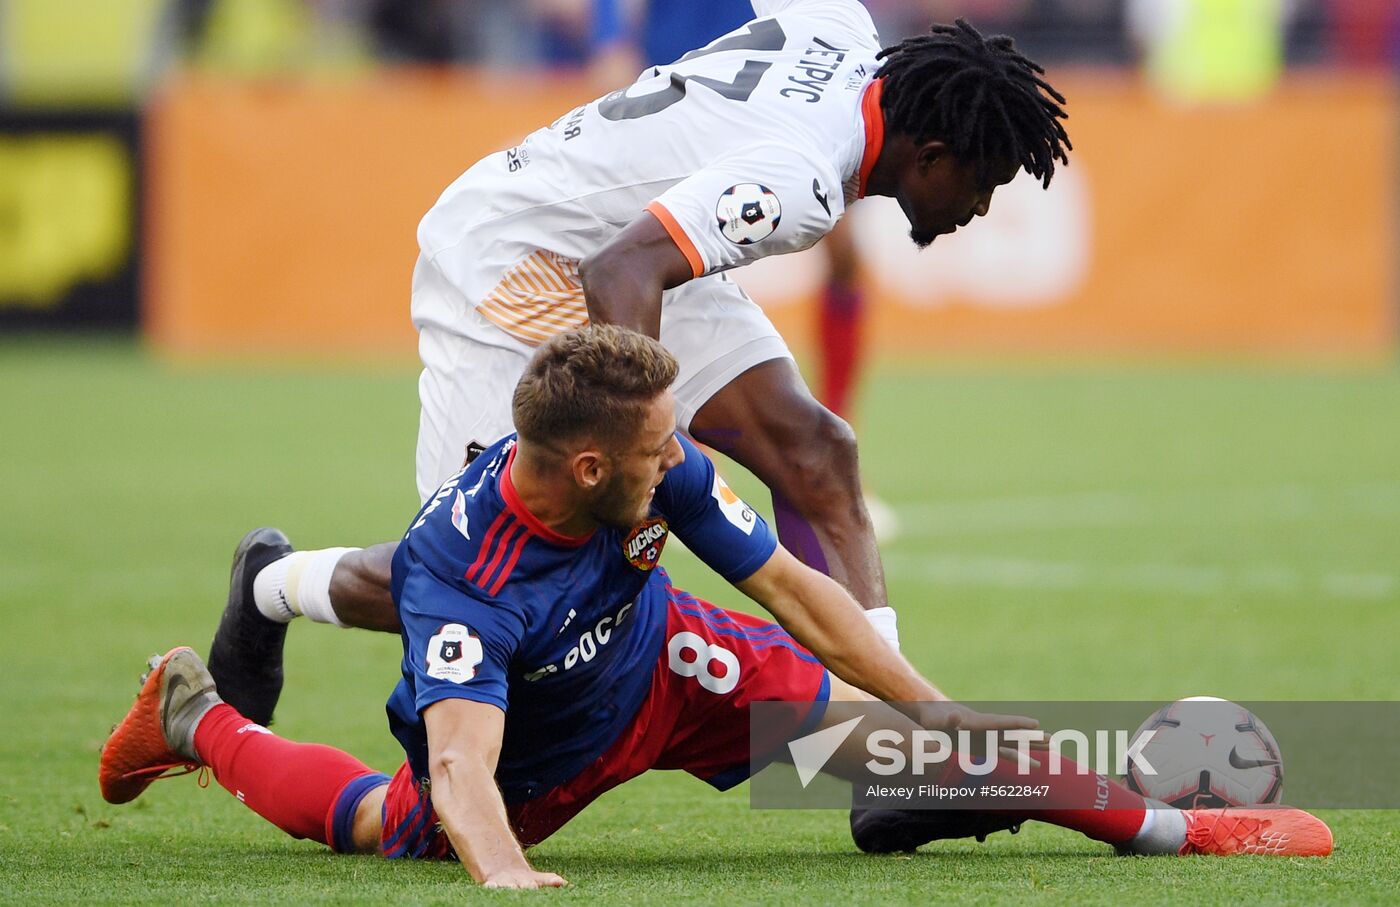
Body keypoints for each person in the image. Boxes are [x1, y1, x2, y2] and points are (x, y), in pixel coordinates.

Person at [101, 328, 1333, 889]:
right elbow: (467, 776)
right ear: (588, 469)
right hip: (539, 753)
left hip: (679, 664)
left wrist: (932, 705)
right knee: (393, 825)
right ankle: (195, 716)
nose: (683, 456)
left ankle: (1175, 831)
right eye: (660, 448)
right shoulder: (461, 582)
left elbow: (794, 590)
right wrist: (506, 879)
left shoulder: (653, 458)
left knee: (905, 741)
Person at [206, 4, 1076, 731]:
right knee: (478, 575)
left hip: (640, 246)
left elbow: (635, 262)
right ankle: (275, 584)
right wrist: (644, 456)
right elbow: (617, 276)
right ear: (931, 158)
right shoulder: (802, 176)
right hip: (516, 261)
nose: (980, 207)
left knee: (815, 451)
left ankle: (883, 751)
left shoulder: (842, 27)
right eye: (984, 182)